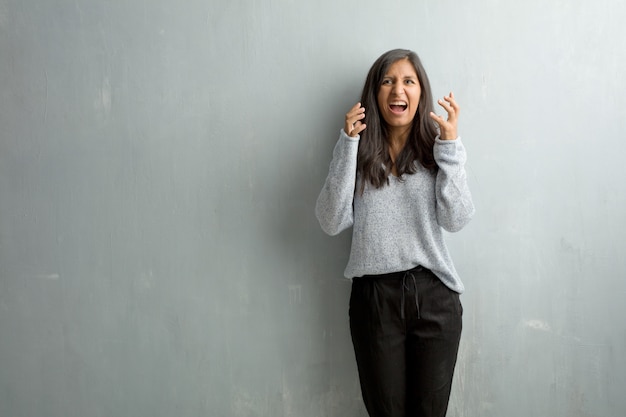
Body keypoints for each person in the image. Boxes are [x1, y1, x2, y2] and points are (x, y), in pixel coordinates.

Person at [315, 49, 475, 417]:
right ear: (374, 92)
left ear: (421, 93)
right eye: (387, 80)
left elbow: (457, 218)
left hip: (434, 298)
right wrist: (347, 145)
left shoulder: (438, 151)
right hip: (375, 300)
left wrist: (450, 146)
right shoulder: (356, 152)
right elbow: (330, 220)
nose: (397, 90)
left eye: (408, 81)